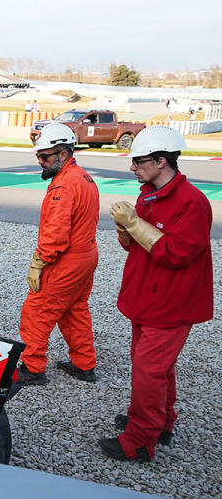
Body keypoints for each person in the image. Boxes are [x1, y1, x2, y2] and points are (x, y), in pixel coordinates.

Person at [99, 126, 213, 462]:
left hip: (171, 305)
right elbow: (131, 247)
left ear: (161, 161)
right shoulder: (147, 193)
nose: (133, 168)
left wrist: (134, 225)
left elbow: (178, 254)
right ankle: (160, 422)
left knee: (149, 370)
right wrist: (125, 228)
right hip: (146, 300)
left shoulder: (192, 202)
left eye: (139, 162)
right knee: (156, 368)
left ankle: (139, 441)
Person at [16, 123, 100, 387]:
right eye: (38, 156)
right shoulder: (84, 177)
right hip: (86, 255)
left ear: (63, 154)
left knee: (37, 311)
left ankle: (32, 367)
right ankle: (84, 364)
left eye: (44, 156)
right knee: (74, 310)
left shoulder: (63, 186)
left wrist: (38, 263)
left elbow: (55, 235)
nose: (40, 161)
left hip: (67, 259)